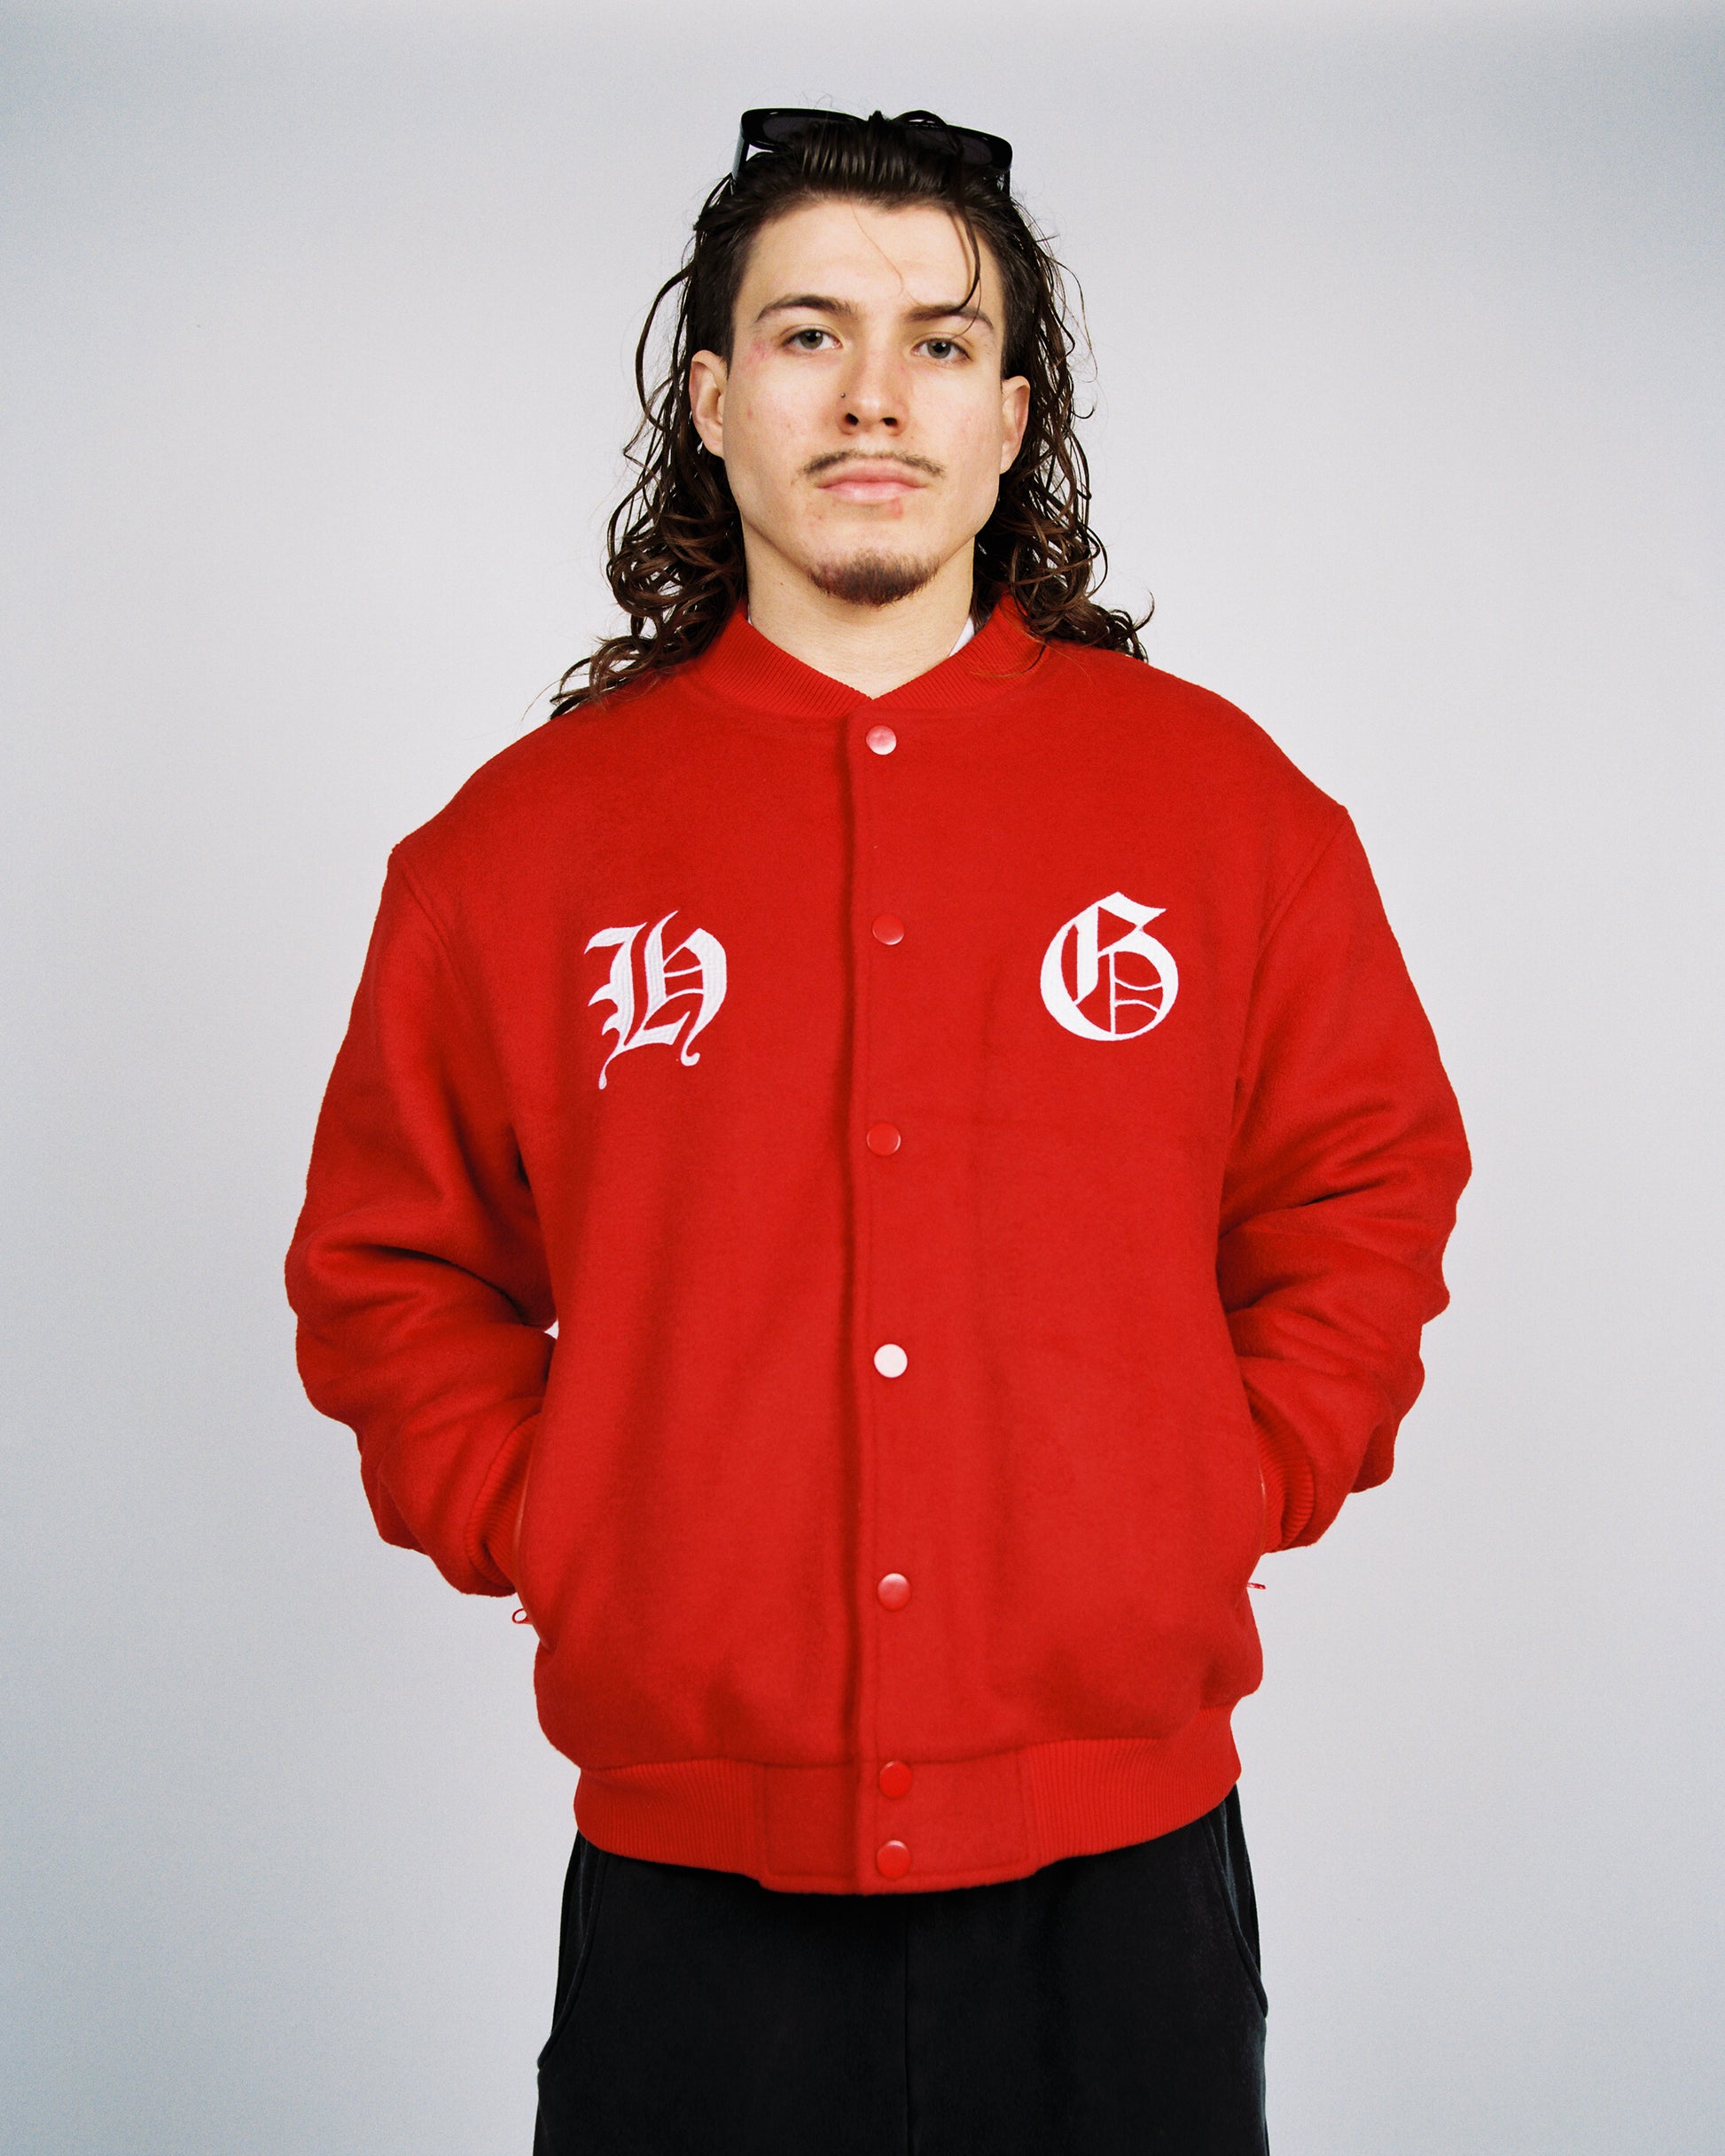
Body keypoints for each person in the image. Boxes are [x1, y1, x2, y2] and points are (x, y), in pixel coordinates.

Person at [285, 106, 1471, 2155]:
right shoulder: (514, 853)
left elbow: (1363, 1188)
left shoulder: (1226, 814)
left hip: (1123, 1887)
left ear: (1011, 419)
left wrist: (1224, 1475)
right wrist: (565, 1522)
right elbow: (390, 1264)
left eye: (939, 343)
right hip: (692, 1898)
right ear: (711, 399)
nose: (872, 397)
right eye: (810, 332)